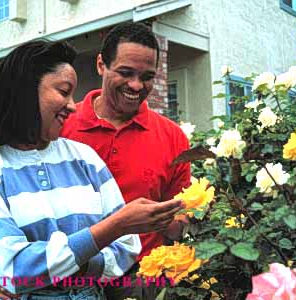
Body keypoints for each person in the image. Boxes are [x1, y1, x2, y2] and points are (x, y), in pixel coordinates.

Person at [0, 40, 184, 300]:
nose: (72, 105)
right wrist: (111, 229)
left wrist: (59, 268)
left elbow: (127, 246)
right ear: (25, 92)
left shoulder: (84, 157)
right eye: (64, 91)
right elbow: (14, 268)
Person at [61, 22, 191, 300]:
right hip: (69, 277)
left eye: (147, 76)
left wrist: (176, 222)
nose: (136, 85)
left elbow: (181, 215)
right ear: (100, 65)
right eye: (125, 72)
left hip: (140, 279)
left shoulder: (173, 137)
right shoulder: (61, 126)